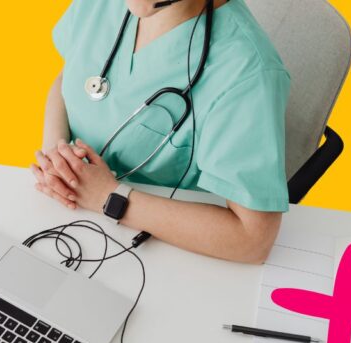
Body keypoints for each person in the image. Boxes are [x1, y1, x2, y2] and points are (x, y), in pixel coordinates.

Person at [31, 0, 291, 264]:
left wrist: (108, 198)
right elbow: (67, 76)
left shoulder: (248, 73)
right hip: (66, 216)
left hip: (158, 250)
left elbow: (252, 240)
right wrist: (57, 157)